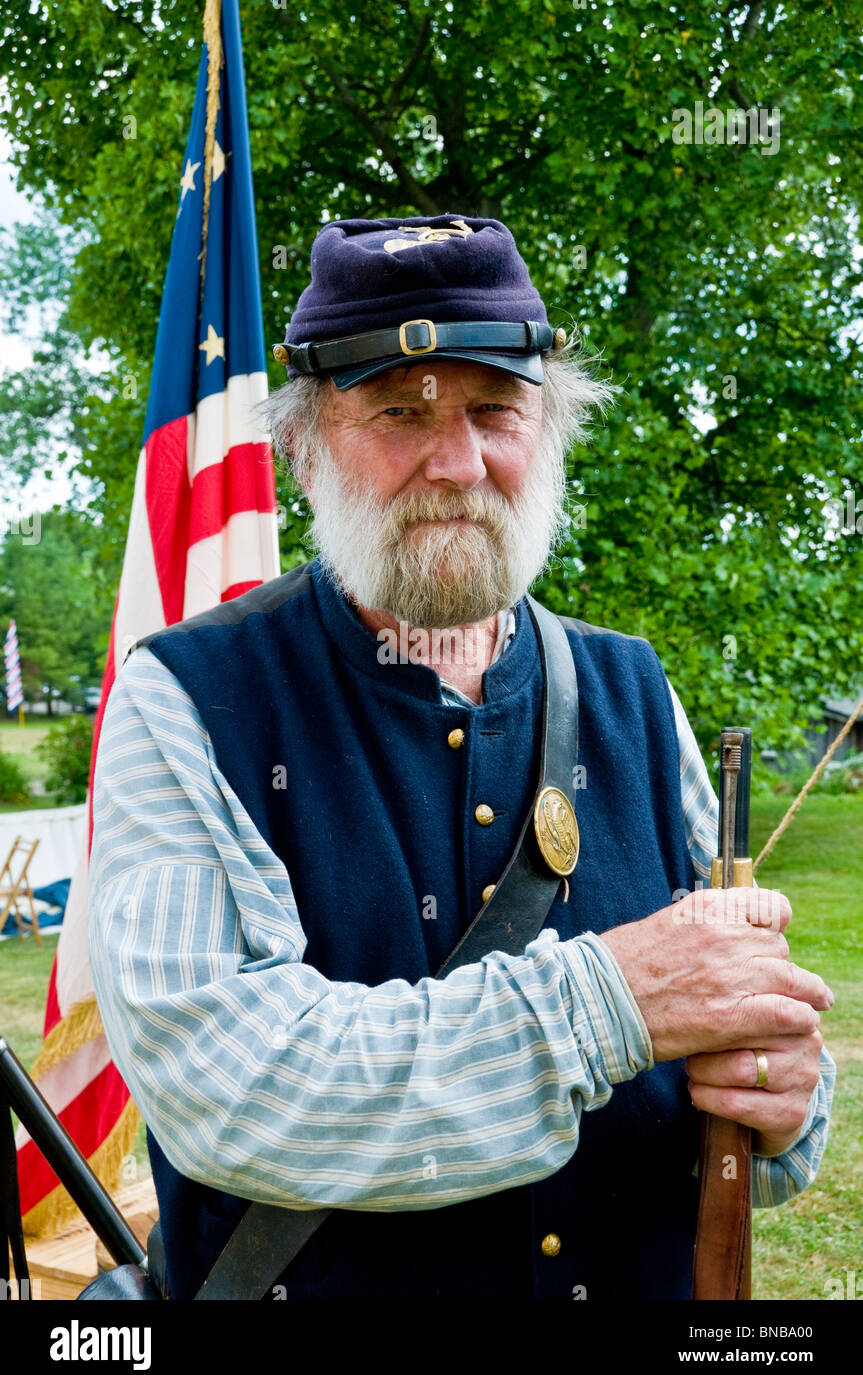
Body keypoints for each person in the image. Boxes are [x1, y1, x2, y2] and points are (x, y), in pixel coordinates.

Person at [89, 213, 835, 1302]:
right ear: (301, 449)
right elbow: (231, 1087)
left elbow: (738, 1053)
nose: (456, 461)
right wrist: (609, 1001)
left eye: (495, 411)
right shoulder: (190, 701)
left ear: (548, 430)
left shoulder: (632, 685)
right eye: (398, 413)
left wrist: (784, 1102)